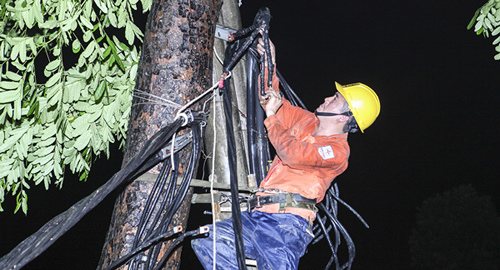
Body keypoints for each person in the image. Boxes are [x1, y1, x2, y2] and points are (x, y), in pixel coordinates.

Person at [191, 39, 380, 270]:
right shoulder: (306, 121)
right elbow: (270, 98)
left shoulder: (338, 152)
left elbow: (293, 154)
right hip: (256, 216)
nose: (327, 98)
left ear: (344, 118)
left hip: (287, 225)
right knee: (209, 242)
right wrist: (268, 60)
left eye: (335, 100)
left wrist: (272, 118)